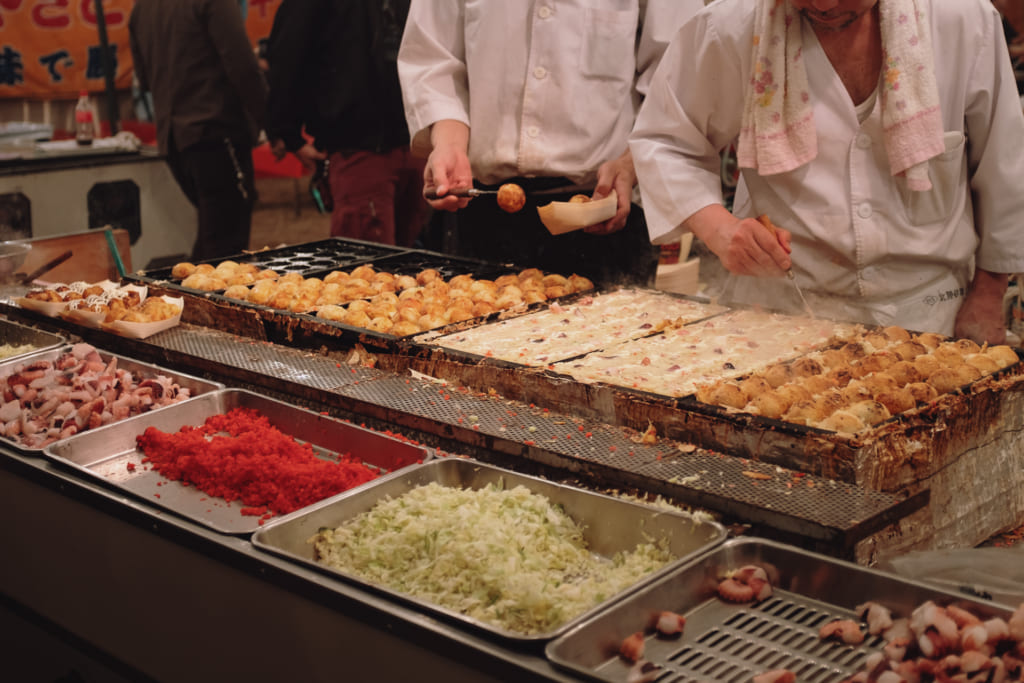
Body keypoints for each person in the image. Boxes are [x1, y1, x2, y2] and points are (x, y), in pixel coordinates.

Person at [630, 0, 1024, 344]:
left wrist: (989, 294)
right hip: (778, 314)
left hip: (930, 316)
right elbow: (667, 141)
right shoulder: (731, 26)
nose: (824, 2)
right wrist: (721, 230)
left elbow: (1003, 163)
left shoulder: (963, 19)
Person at [397, 0, 705, 287]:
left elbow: (677, 70)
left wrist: (631, 163)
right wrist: (449, 142)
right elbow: (433, 54)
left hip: (600, 210)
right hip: (477, 205)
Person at [264, 0, 427, 248]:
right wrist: (286, 133)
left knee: (416, 270)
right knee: (366, 272)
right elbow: (288, 53)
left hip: (418, 143)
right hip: (359, 149)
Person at [129, 0, 267, 261]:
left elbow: (144, 79)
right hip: (215, 132)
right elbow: (242, 65)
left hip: (174, 139)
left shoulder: (142, 7)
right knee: (225, 250)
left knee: (212, 239)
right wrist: (271, 121)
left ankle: (191, 297)